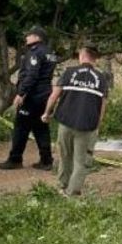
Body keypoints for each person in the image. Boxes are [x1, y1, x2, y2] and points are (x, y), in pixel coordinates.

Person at [42, 43, 112, 198]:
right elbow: (102, 106)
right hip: (87, 126)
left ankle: (62, 186)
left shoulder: (69, 72)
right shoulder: (101, 79)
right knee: (81, 162)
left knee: (65, 157)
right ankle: (72, 193)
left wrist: (46, 113)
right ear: (95, 59)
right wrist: (97, 126)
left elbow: (54, 96)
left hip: (65, 123)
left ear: (82, 55)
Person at [0, 26, 57, 171]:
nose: (27, 37)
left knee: (20, 128)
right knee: (41, 128)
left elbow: (32, 75)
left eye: (29, 35)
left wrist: (21, 93)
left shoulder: (35, 52)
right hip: (45, 96)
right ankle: (46, 160)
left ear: (38, 38)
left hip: (32, 97)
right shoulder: (51, 53)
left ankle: (15, 159)